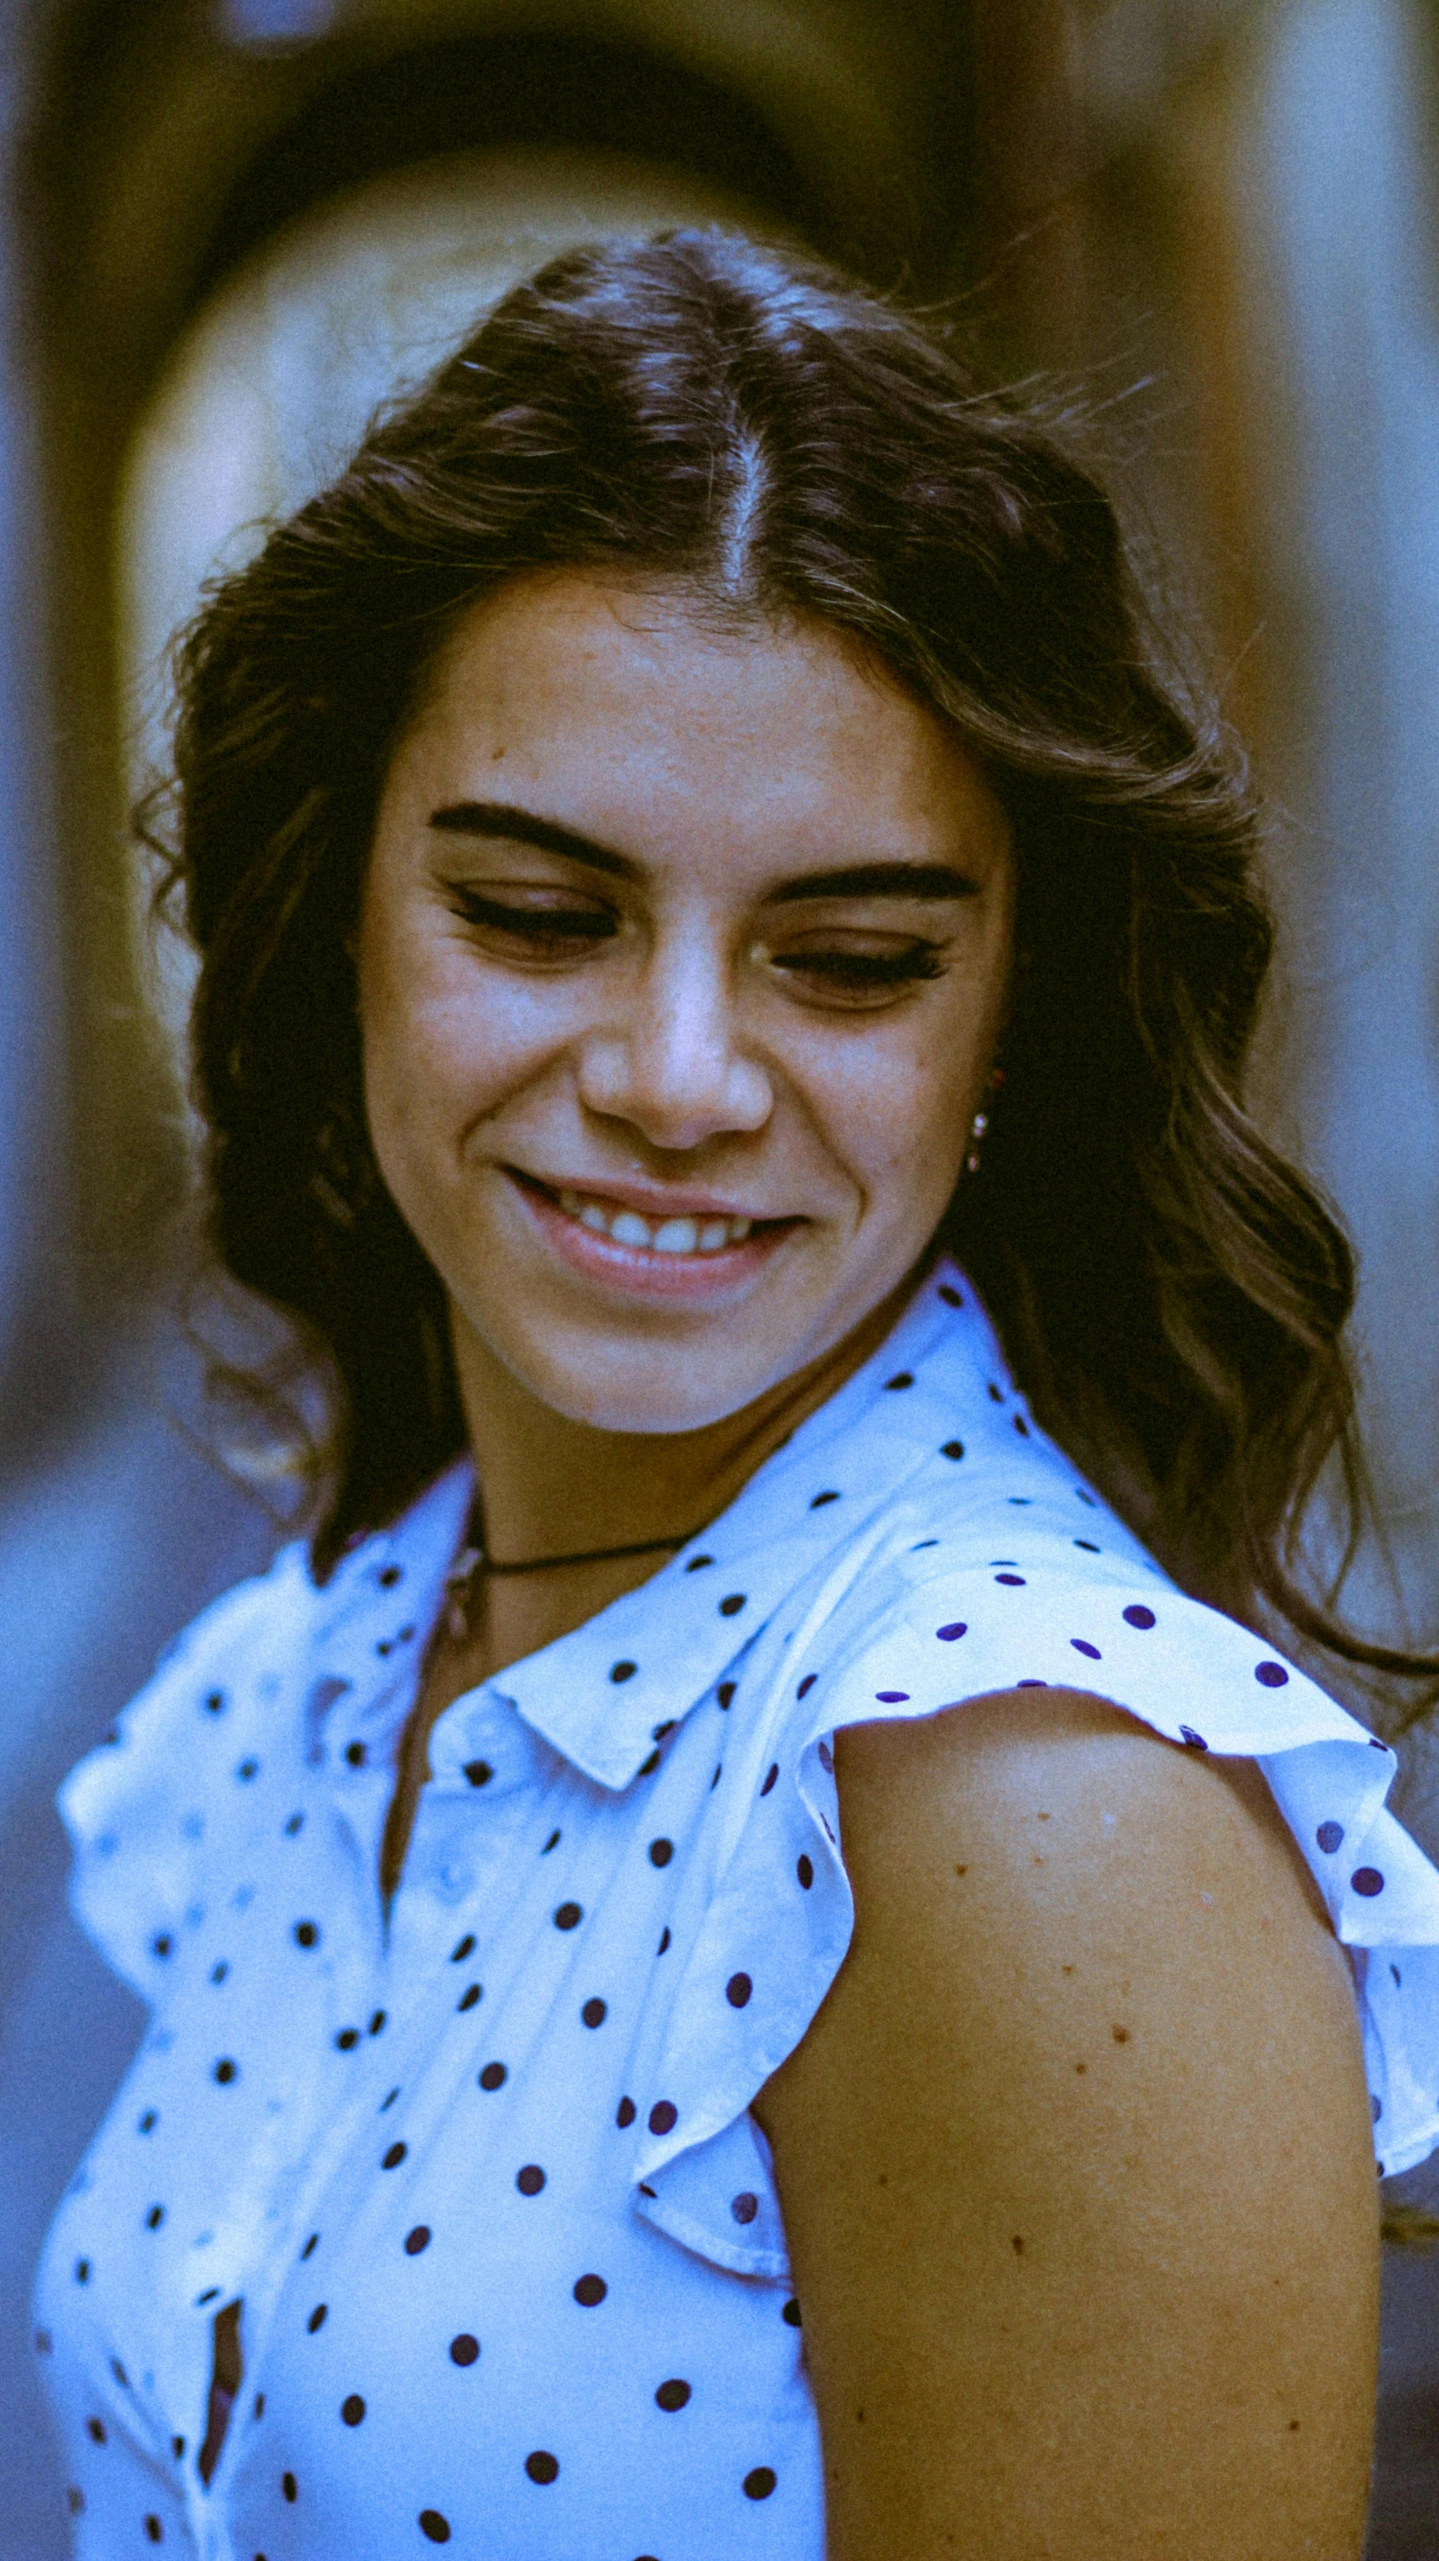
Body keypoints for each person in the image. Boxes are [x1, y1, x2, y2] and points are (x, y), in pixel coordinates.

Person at [33, 228, 1439, 2561]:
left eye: (850, 958)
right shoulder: (358, 1644)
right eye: (538, 913)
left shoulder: (1019, 1812)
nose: (677, 1077)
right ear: (335, 909)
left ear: (1005, 1024)